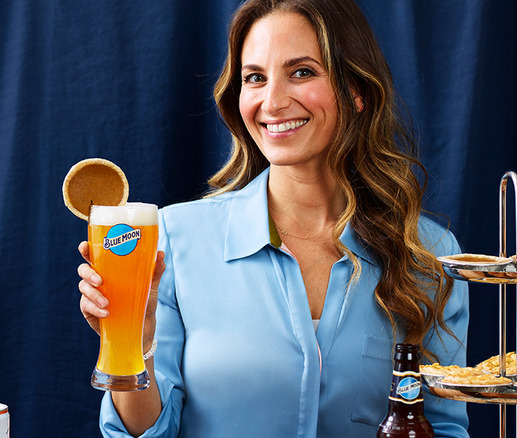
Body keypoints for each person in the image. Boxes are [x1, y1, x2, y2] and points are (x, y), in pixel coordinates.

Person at [77, 0, 469, 436]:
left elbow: (445, 427)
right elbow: (143, 434)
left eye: (302, 72)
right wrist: (137, 339)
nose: (273, 101)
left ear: (357, 91)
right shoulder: (174, 236)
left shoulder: (430, 254)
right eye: (255, 78)